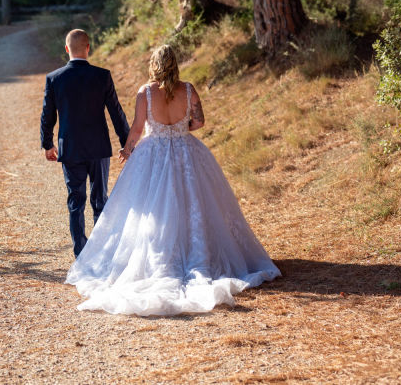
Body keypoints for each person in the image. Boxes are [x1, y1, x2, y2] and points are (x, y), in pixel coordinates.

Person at [65, 44, 281, 316]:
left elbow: (137, 127)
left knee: (153, 209)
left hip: (152, 153)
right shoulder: (188, 89)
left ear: (154, 65)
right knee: (193, 203)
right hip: (186, 151)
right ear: (175, 64)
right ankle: (194, 253)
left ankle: (161, 257)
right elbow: (200, 122)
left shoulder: (145, 92)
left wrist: (128, 149)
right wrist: (180, 130)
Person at [40, 29, 130, 258]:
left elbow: (47, 114)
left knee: (75, 200)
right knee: (100, 199)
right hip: (98, 147)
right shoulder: (102, 76)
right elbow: (116, 113)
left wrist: (47, 143)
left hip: (70, 148)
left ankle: (81, 252)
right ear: (88, 48)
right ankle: (101, 251)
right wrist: (126, 143)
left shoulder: (55, 78)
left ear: (67, 49)